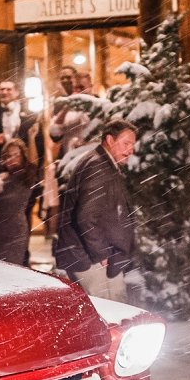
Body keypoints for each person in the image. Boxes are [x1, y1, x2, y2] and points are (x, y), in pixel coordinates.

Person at [53, 118, 138, 303]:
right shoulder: (98, 166)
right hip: (91, 259)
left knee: (113, 310)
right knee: (109, 312)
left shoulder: (102, 163)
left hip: (91, 256)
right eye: (126, 144)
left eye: (132, 145)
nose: (130, 150)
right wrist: (103, 253)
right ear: (110, 140)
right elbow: (86, 217)